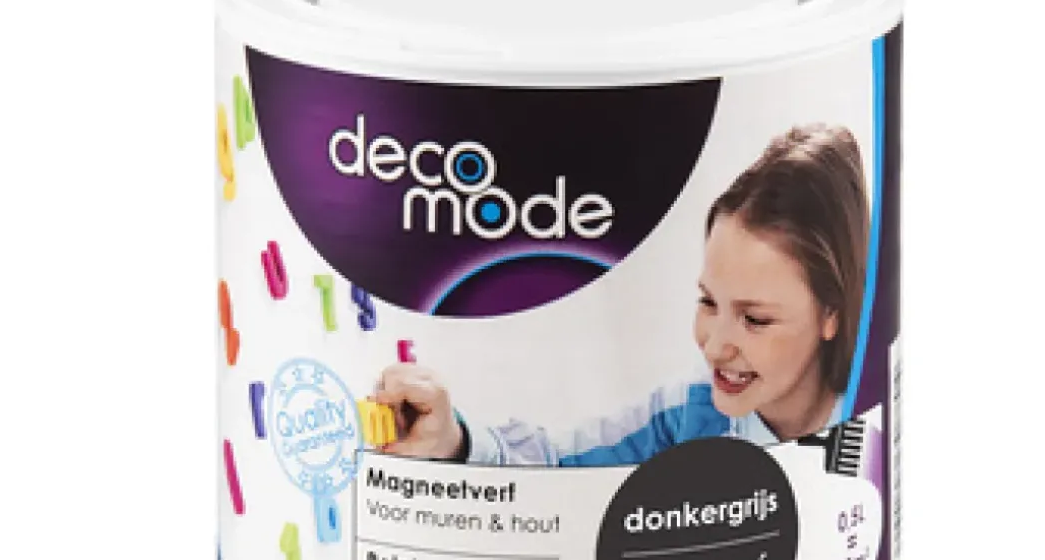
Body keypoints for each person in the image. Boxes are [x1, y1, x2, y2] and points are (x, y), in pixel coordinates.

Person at [372, 124, 869, 465]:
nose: (716, 346)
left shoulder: (869, 420)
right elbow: (558, 462)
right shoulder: (690, 413)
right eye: (708, 302)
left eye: (755, 319)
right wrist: (452, 440)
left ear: (832, 312)